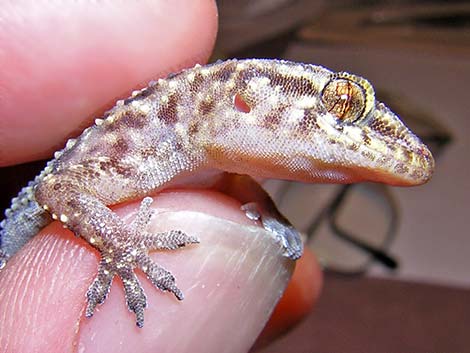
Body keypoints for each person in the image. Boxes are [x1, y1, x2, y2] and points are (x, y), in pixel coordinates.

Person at [0, 1, 322, 351]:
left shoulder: (202, 159)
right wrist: (121, 246)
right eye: (344, 104)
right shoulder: (139, 150)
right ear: (245, 97)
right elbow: (57, 189)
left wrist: (267, 213)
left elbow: (233, 182)